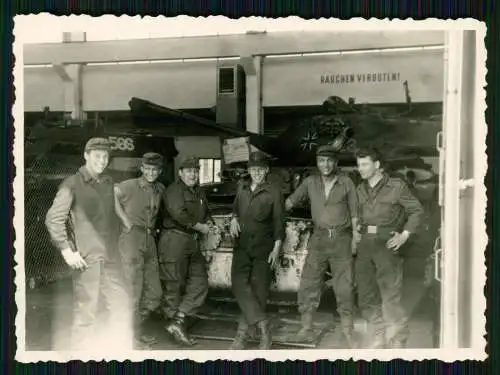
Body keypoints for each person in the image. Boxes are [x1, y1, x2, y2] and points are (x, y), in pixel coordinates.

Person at [45, 137, 132, 351]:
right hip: (87, 259)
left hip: (110, 257)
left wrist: (125, 222)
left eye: (105, 157)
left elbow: (111, 207)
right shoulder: (71, 184)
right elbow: (53, 219)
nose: (102, 161)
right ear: (86, 156)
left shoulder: (108, 182)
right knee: (86, 314)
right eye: (97, 156)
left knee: (122, 306)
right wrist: (67, 251)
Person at [285, 144, 359, 348]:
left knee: (344, 286)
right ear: (317, 163)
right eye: (321, 161)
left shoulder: (346, 182)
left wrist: (355, 240)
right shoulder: (310, 182)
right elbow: (289, 202)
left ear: (335, 162)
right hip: (318, 239)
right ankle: (306, 328)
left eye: (329, 161)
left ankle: (348, 330)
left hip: (342, 239)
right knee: (309, 283)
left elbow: (355, 214)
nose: (325, 165)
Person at [354, 147, 424, 349]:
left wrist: (404, 235)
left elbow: (416, 211)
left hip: (387, 242)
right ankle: (378, 333)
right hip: (365, 243)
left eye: (365, 164)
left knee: (390, 293)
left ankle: (398, 335)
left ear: (377, 165)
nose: (361, 169)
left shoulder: (396, 186)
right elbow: (357, 214)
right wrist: (356, 229)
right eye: (359, 165)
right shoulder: (360, 189)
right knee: (366, 294)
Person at [228, 151, 286, 350]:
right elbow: (235, 209)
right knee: (238, 284)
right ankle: (264, 326)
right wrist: (233, 219)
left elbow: (279, 221)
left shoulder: (274, 191)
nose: (257, 173)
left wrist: (277, 247)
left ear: (266, 170)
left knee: (258, 291)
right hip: (242, 247)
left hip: (264, 248)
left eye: (260, 169)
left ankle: (242, 336)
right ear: (249, 170)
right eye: (253, 169)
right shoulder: (242, 188)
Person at [159, 156, 213, 346]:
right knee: (173, 285)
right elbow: (178, 213)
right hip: (174, 240)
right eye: (189, 171)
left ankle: (178, 321)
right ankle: (175, 331)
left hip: (192, 241)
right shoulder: (174, 190)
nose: (193, 174)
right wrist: (201, 227)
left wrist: (210, 223)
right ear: (180, 173)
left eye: (196, 171)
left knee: (200, 282)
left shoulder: (198, 192)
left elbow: (207, 212)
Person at [114, 152, 165, 348]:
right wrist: (124, 219)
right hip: (131, 238)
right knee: (132, 290)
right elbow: (110, 195)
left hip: (150, 238)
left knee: (155, 293)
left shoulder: (159, 188)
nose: (151, 172)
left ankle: (136, 330)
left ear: (159, 171)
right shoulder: (129, 185)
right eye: (147, 168)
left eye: (155, 169)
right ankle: (130, 337)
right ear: (141, 168)